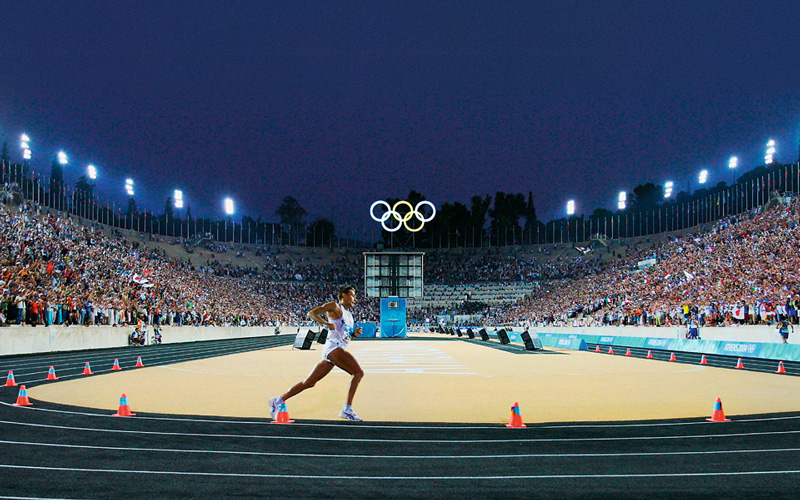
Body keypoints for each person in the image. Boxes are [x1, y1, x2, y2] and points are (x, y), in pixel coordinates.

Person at [269, 286, 364, 421]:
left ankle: (278, 400)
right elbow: (312, 313)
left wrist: (354, 334)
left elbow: (344, 336)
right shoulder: (335, 307)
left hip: (335, 349)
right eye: (353, 295)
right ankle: (347, 409)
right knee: (358, 373)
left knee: (309, 382)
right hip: (334, 348)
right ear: (344, 295)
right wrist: (326, 323)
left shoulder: (349, 315)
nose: (355, 299)